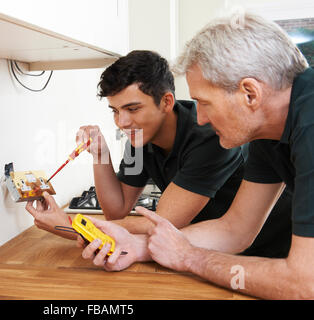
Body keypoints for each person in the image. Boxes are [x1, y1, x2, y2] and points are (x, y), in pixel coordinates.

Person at [78, 13, 314, 299]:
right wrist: (142, 247)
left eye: (204, 102)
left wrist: (190, 257)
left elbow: (304, 283)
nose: (199, 117)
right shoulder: (266, 128)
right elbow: (236, 229)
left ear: (249, 94)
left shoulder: (308, 123)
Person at [26, 50, 292, 259]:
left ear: (166, 102)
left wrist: (70, 224)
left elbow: (163, 223)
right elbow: (116, 210)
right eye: (115, 111)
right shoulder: (139, 137)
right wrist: (100, 155)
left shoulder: (209, 136)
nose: (122, 122)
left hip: (272, 247)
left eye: (132, 108)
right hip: (212, 245)